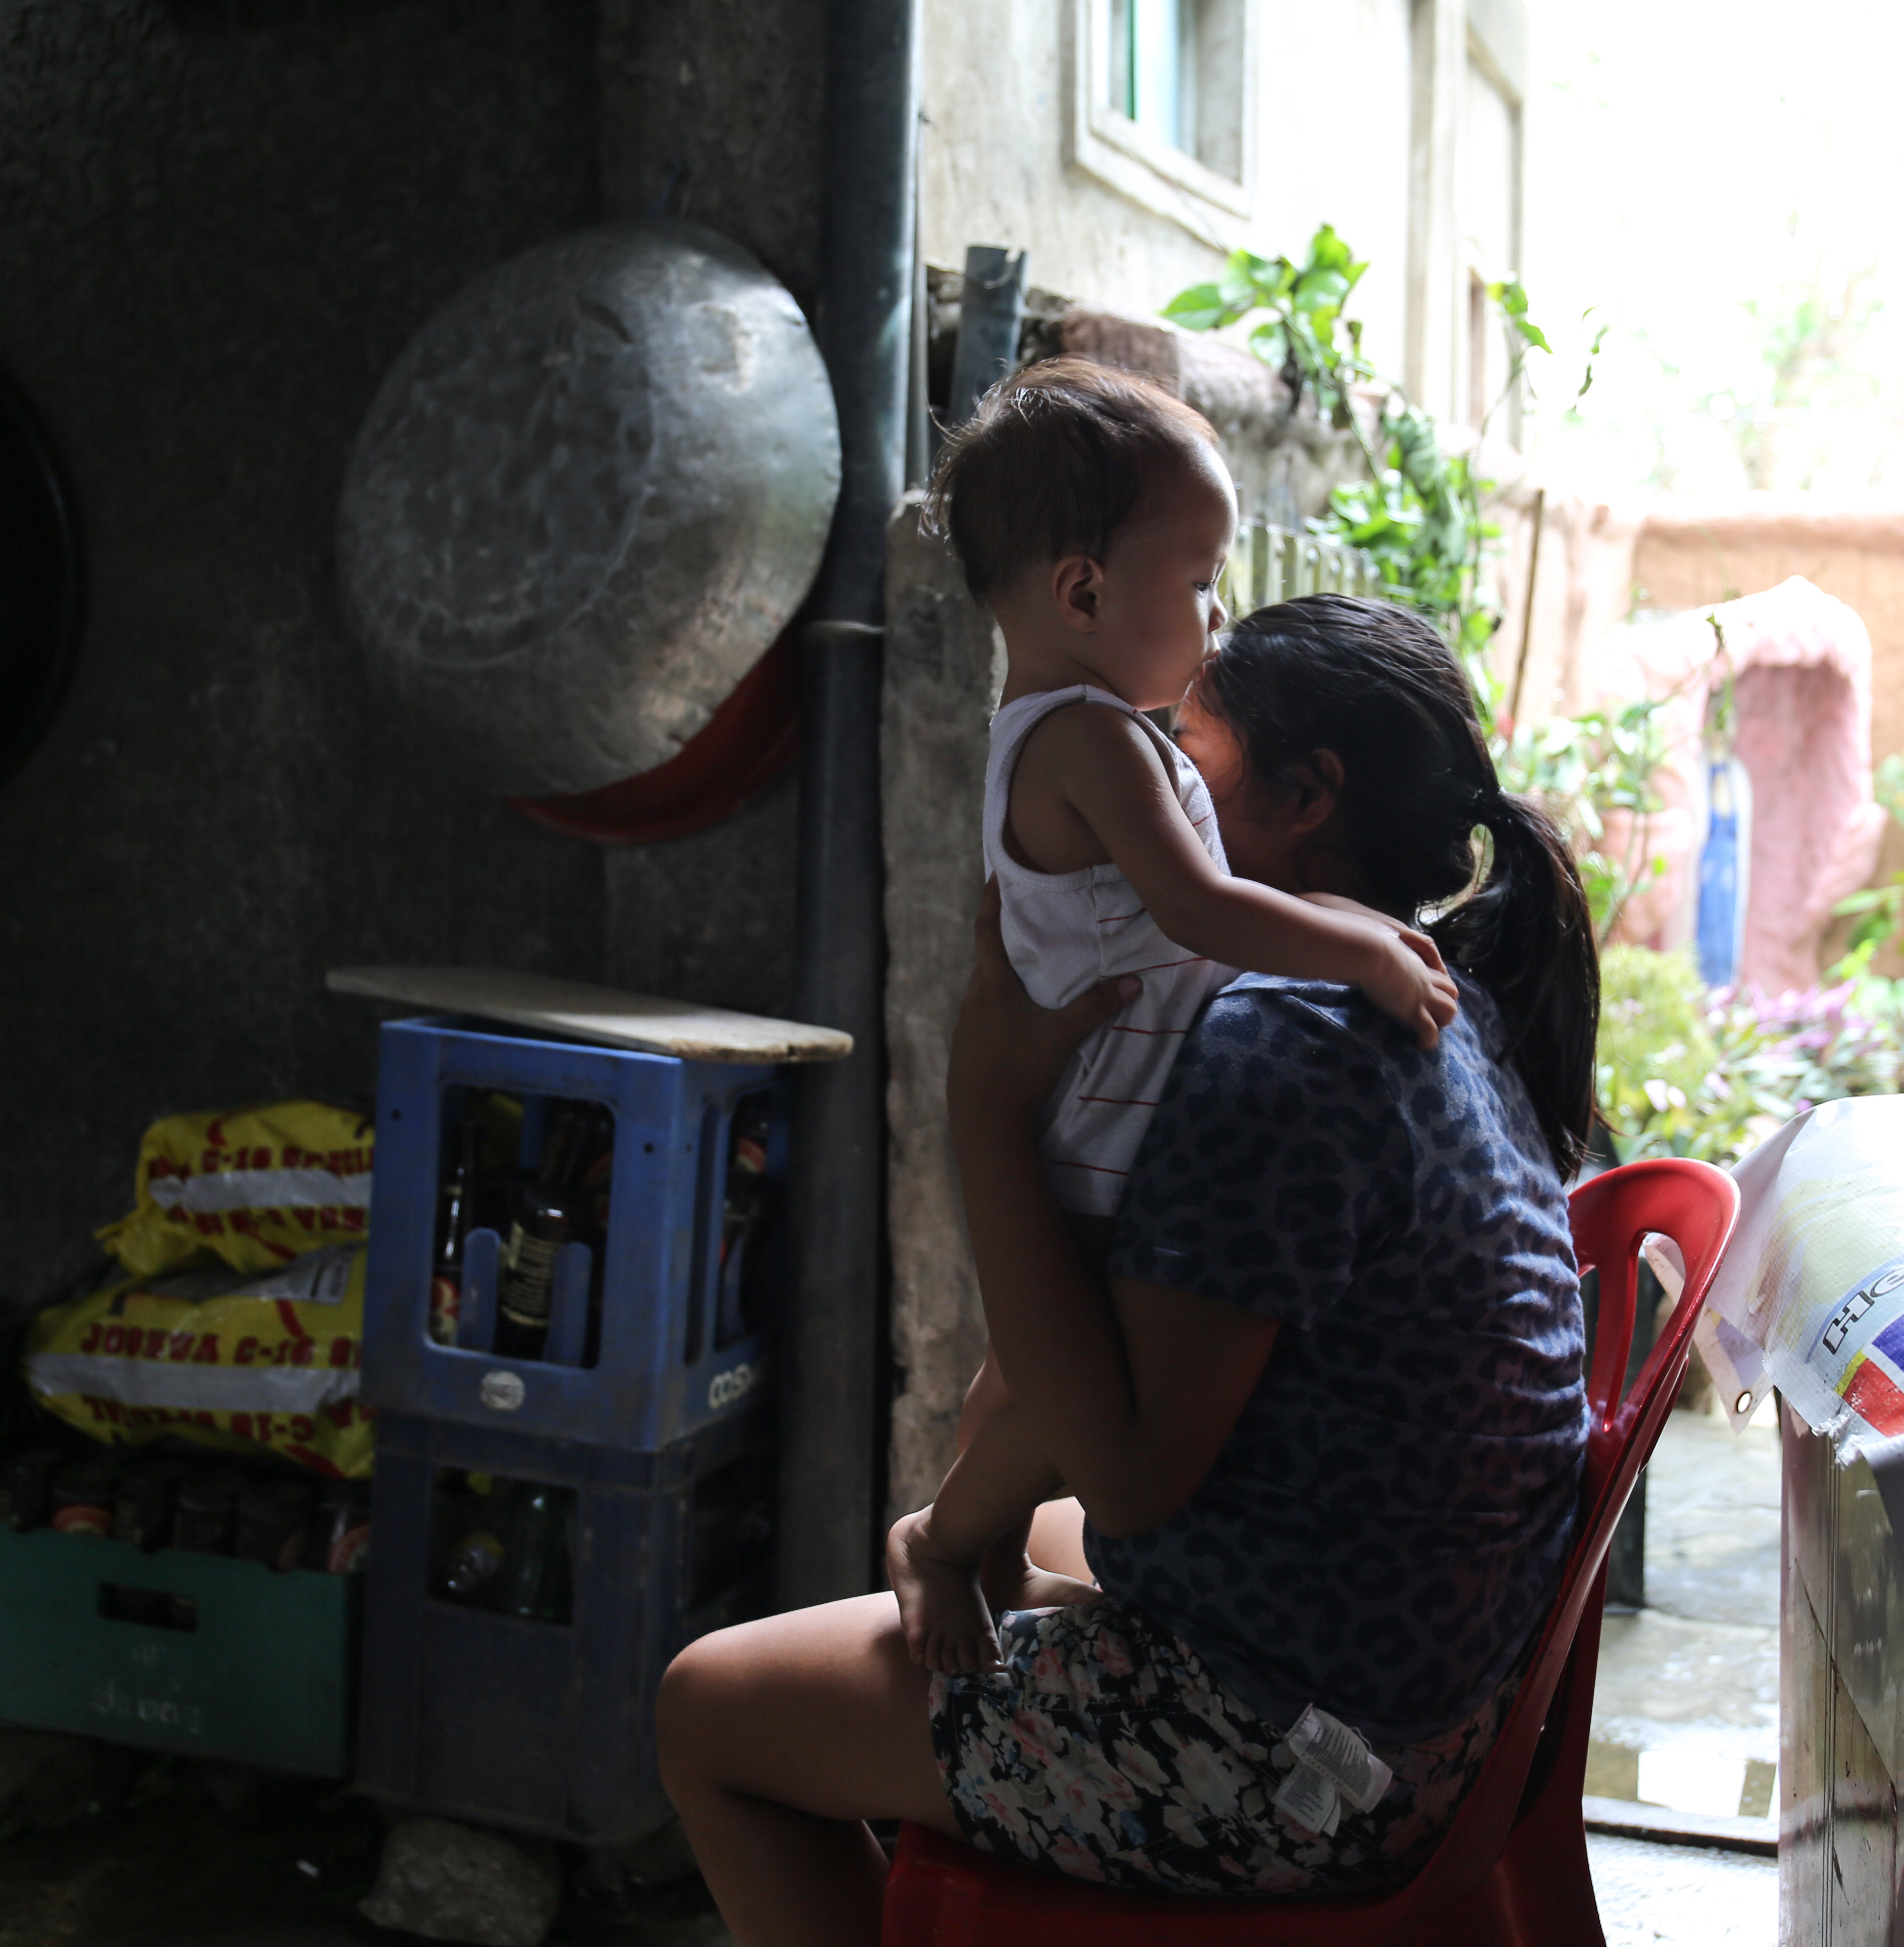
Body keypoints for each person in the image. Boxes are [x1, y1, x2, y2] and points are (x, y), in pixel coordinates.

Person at [654, 593, 1599, 1945]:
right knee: (1012, 1540)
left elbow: (1133, 1468)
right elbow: (1101, 1377)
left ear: (1304, 796)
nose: (1139, 800)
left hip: (1294, 1765)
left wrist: (986, 1101)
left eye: (1181, 759)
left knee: (708, 1708)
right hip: (1431, 1697)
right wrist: (961, 1528)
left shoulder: (1288, 1040)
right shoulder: (1427, 989)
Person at [885, 359, 1459, 1674]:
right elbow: (1200, 910)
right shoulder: (1083, 740)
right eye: (1201, 579)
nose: (1217, 616)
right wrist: (1363, 949)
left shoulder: (1090, 727)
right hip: (1104, 1111)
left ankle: (984, 1537)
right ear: (1085, 591)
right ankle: (944, 1538)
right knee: (1061, 1381)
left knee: (1025, 1362)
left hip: (1107, 1092)